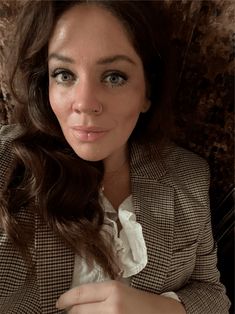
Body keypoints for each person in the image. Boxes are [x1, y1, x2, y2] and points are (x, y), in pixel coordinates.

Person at [0, 1, 230, 313]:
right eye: (64, 74)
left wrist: (160, 309)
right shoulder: (7, 162)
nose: (85, 104)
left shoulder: (187, 174)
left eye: (113, 77)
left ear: (147, 91)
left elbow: (212, 294)